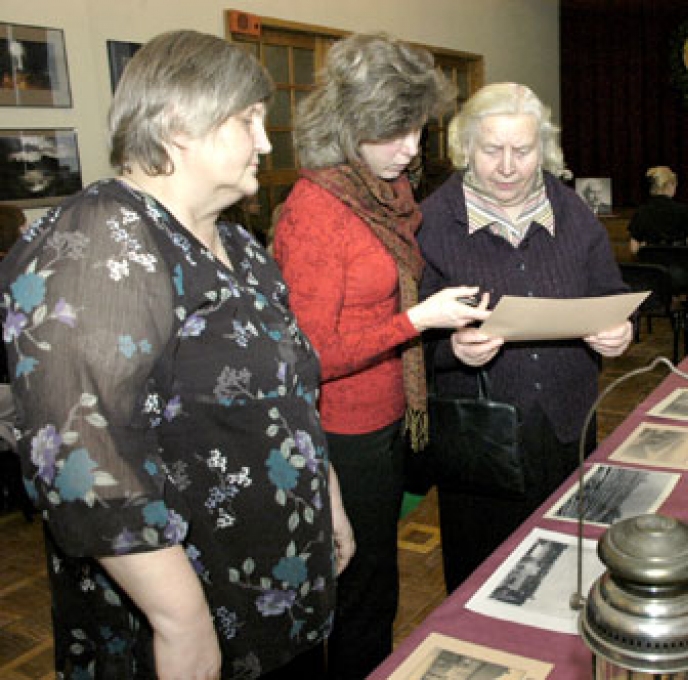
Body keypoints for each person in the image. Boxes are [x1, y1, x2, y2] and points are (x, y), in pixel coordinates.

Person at [0, 30, 353, 678]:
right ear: (177, 124)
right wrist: (182, 623)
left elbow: (287, 393)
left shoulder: (238, 245)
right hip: (189, 610)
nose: (267, 142)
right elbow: (79, 452)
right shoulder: (101, 238)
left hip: (276, 585)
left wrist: (323, 494)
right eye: (249, 121)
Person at [273, 33, 490, 680]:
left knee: (374, 585)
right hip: (342, 432)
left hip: (387, 419)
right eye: (392, 132)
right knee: (360, 597)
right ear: (347, 129)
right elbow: (306, 356)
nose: (410, 149)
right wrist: (416, 321)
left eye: (418, 130)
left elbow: (378, 315)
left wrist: (437, 334)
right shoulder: (316, 211)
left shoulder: (381, 194)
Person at [417, 82, 633, 592]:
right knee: (482, 580)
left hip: (567, 427)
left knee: (566, 575)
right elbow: (406, 338)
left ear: (546, 149)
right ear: (465, 147)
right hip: (480, 444)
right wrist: (450, 349)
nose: (509, 166)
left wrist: (620, 332)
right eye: (492, 150)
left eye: (524, 150)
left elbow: (611, 293)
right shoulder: (430, 224)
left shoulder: (574, 213)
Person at [627, 165, 688, 254]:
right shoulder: (682, 210)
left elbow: (634, 249)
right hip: (676, 264)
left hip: (651, 265)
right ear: (669, 185)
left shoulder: (641, 212)